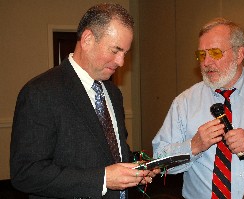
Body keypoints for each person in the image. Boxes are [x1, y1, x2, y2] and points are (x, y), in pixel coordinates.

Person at [10, 3, 159, 199]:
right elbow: (26, 174)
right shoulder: (40, 92)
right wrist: (102, 179)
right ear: (88, 39)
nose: (121, 62)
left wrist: (137, 166)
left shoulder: (114, 93)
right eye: (115, 50)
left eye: (125, 53)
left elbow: (111, 152)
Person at [152, 17, 244, 199]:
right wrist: (194, 146)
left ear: (239, 54)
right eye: (201, 55)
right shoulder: (184, 102)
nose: (206, 62)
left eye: (214, 53)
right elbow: (159, 160)